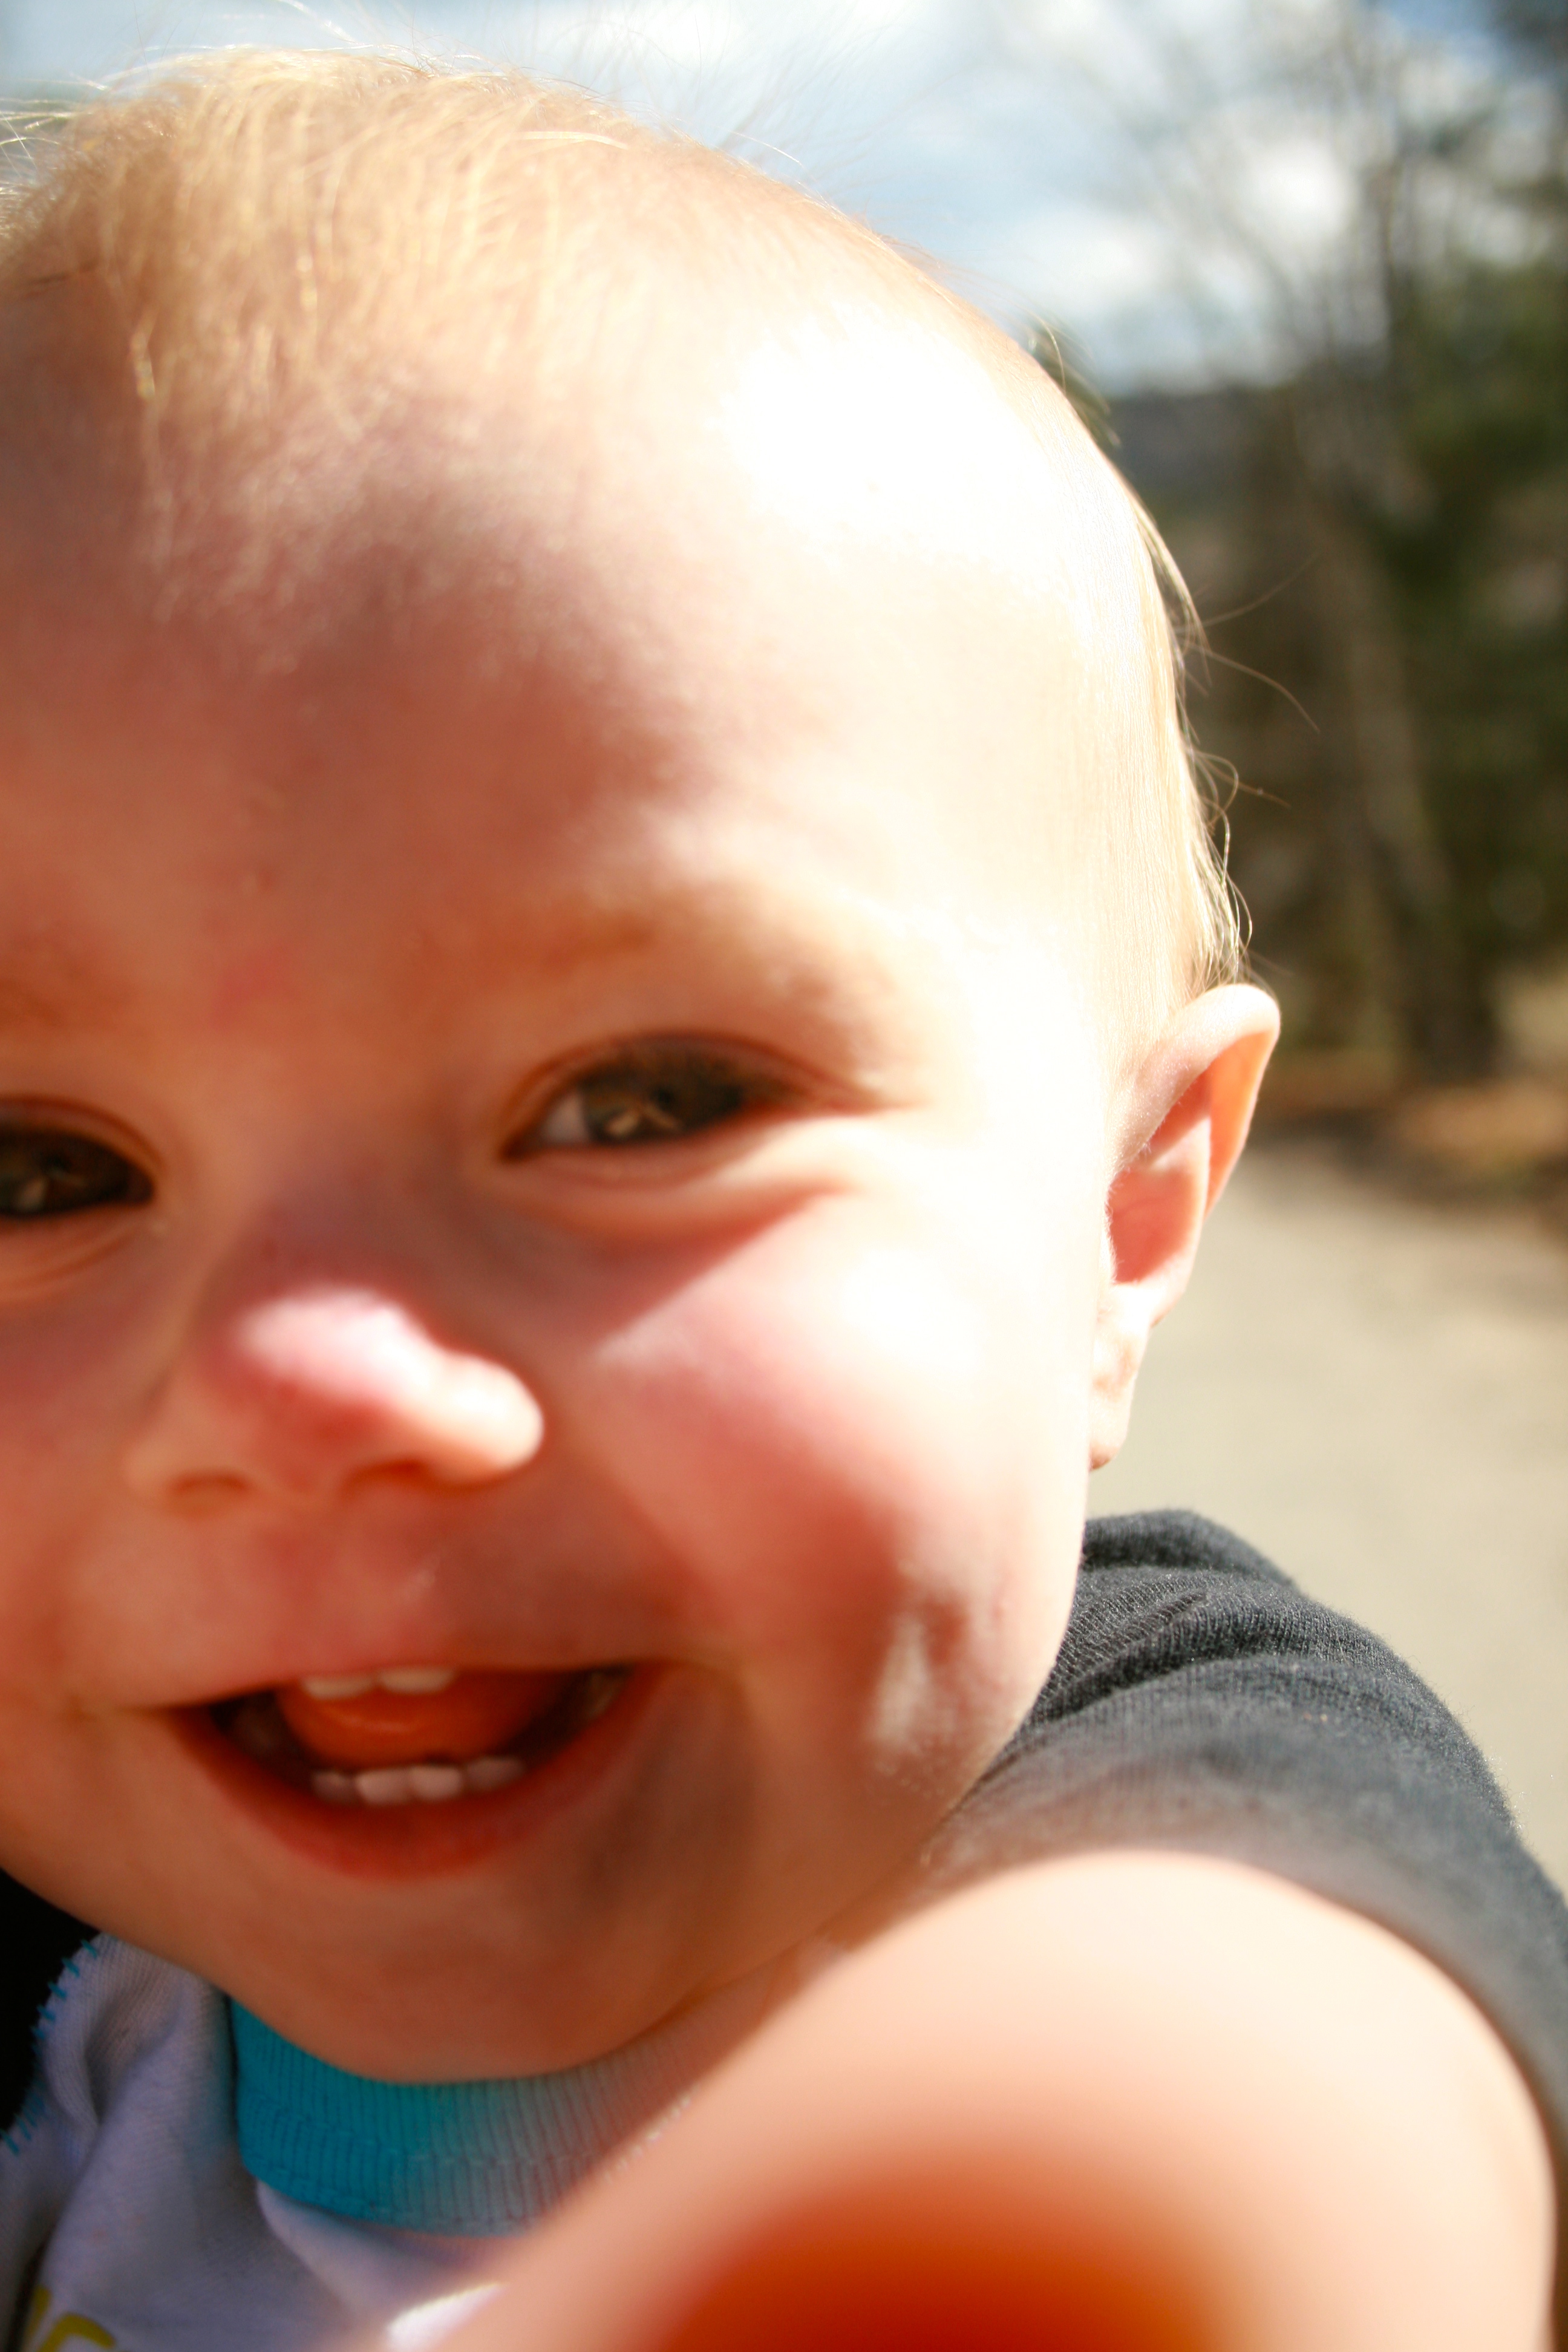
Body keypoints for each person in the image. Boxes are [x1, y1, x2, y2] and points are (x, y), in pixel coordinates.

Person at [0, 49, 1562, 2352]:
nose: (305, 1382)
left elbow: (1275, 2088)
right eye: (41, 1169)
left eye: (638, 1106)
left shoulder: (1163, 1774)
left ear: (1123, 1219)